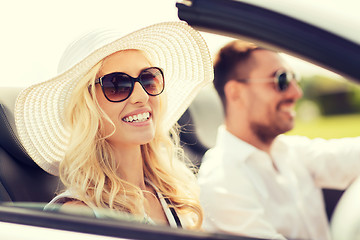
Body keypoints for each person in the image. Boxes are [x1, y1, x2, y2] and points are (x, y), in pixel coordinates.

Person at [14, 21, 213, 229]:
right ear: (87, 106)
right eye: (116, 85)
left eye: (148, 79)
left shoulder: (175, 192)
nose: (141, 96)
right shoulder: (80, 213)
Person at [197, 40, 360, 239]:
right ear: (235, 92)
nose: (296, 92)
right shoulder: (222, 183)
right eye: (281, 80)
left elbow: (351, 156)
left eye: (294, 78)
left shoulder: (289, 150)